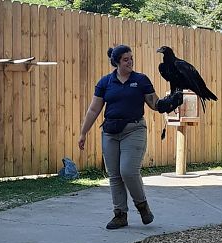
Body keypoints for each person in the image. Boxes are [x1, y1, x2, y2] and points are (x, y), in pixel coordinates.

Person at [78, 45, 182, 230]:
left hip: (134, 130)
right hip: (110, 132)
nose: (130, 62)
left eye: (131, 58)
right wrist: (83, 132)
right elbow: (94, 109)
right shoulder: (105, 82)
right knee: (115, 175)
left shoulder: (140, 80)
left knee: (127, 171)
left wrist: (169, 102)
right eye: (126, 59)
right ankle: (120, 215)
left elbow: (154, 103)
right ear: (117, 62)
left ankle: (142, 207)